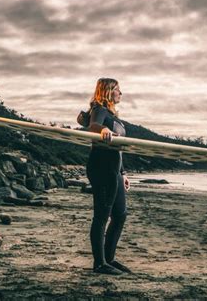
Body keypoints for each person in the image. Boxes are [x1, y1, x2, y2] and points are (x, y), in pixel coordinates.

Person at [86, 78, 131, 275]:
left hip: (114, 169)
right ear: (108, 91)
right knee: (102, 216)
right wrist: (103, 129)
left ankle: (109, 258)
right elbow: (93, 125)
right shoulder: (99, 108)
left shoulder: (115, 116)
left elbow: (118, 148)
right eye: (117, 89)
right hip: (101, 167)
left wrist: (123, 173)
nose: (121, 93)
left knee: (120, 214)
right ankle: (99, 263)